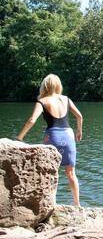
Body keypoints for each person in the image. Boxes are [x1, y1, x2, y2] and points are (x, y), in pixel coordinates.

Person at [16, 74, 83, 207]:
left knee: (50, 172)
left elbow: (32, 120)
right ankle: (77, 204)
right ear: (58, 85)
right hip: (69, 135)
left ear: (44, 86)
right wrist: (79, 131)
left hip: (53, 136)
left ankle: (51, 203)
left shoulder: (42, 101)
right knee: (71, 173)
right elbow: (80, 116)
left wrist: (20, 137)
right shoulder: (66, 99)